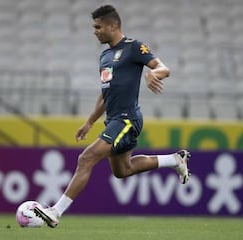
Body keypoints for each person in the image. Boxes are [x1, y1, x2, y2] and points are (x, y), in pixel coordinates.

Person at [34, 4, 190, 228]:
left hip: (127, 119)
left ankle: (55, 212)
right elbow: (106, 93)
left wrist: (152, 74)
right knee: (122, 171)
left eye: (98, 26)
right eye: (94, 27)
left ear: (112, 25)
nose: (95, 31)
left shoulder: (134, 47)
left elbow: (164, 68)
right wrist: (89, 121)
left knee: (86, 158)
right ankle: (174, 160)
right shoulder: (105, 56)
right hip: (114, 119)